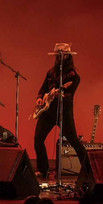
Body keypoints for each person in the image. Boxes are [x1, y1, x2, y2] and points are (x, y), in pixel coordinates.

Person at [32, 43, 84, 186]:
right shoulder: (51, 72)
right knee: (38, 139)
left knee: (73, 141)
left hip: (64, 112)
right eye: (57, 55)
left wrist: (59, 94)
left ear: (67, 56)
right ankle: (43, 169)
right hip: (48, 112)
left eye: (61, 55)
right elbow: (43, 88)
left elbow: (70, 94)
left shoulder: (73, 75)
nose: (58, 58)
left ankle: (88, 168)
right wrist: (40, 97)